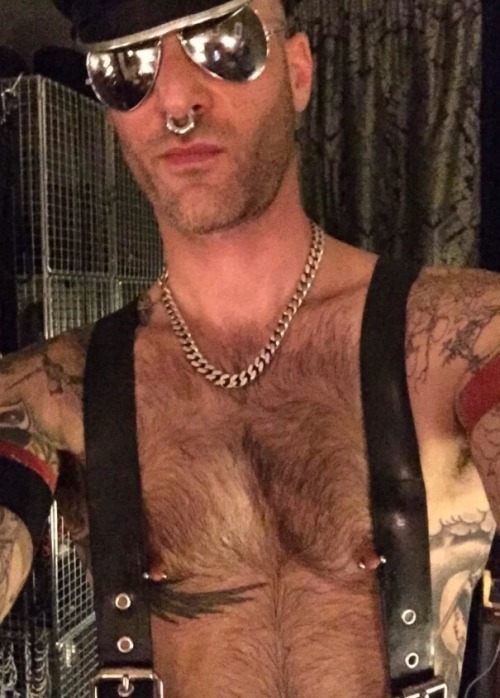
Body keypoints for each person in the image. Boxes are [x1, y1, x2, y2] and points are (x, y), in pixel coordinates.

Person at [0, 0, 498, 696]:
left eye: (224, 42)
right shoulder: (54, 390)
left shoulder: (461, 339)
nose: (175, 101)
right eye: (127, 66)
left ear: (298, 72)